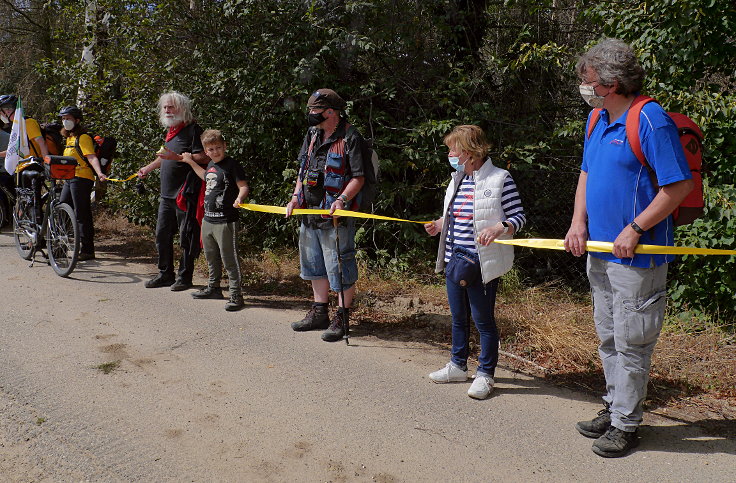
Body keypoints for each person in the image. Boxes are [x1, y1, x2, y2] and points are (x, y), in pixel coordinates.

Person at [564, 38, 694, 458]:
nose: (584, 87)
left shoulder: (650, 120)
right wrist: (577, 222)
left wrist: (635, 228)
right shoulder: (597, 120)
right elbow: (586, 173)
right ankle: (615, 405)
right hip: (600, 253)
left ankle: (626, 424)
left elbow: (678, 186)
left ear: (612, 82)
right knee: (608, 337)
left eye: (589, 80)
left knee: (631, 341)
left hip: (638, 258)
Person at [424, 125, 526, 400]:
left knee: (483, 322)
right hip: (453, 260)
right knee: (458, 318)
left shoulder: (500, 178)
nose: (449, 154)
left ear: (469, 152)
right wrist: (438, 224)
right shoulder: (457, 179)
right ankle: (457, 366)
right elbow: (455, 217)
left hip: (482, 264)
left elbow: (518, 217)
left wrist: (498, 229)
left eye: (452, 149)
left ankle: (485, 374)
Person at [284, 88, 369, 342]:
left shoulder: (351, 137)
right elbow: (303, 169)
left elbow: (359, 177)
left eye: (314, 110)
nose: (310, 114)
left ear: (330, 112)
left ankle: (342, 317)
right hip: (309, 211)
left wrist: (342, 200)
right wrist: (295, 197)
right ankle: (319, 311)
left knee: (340, 265)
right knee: (313, 264)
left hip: (336, 215)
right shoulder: (312, 134)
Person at [138, 91, 208, 291]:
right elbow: (164, 156)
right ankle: (165, 274)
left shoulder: (193, 130)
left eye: (171, 107)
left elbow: (204, 157)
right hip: (166, 195)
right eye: (165, 107)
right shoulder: (171, 131)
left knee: (187, 237)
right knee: (162, 235)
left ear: (182, 109)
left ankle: (185, 277)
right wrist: (147, 168)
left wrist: (180, 157)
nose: (167, 110)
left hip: (185, 194)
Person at [180, 129, 249, 311]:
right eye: (210, 149)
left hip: (226, 220)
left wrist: (240, 198)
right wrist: (189, 162)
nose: (215, 152)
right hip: (208, 220)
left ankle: (236, 295)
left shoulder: (232, 165)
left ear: (225, 146)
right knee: (211, 257)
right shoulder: (210, 164)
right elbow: (205, 176)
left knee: (229, 259)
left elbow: (243, 186)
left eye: (218, 147)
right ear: (205, 151)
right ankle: (214, 288)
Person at [58, 106, 108, 261]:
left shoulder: (83, 137)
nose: (65, 121)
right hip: (70, 178)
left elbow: (91, 157)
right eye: (63, 118)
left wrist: (100, 173)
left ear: (77, 120)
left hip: (82, 178)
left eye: (68, 118)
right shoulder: (69, 138)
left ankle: (87, 250)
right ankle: (60, 246)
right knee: (62, 209)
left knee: (81, 213)